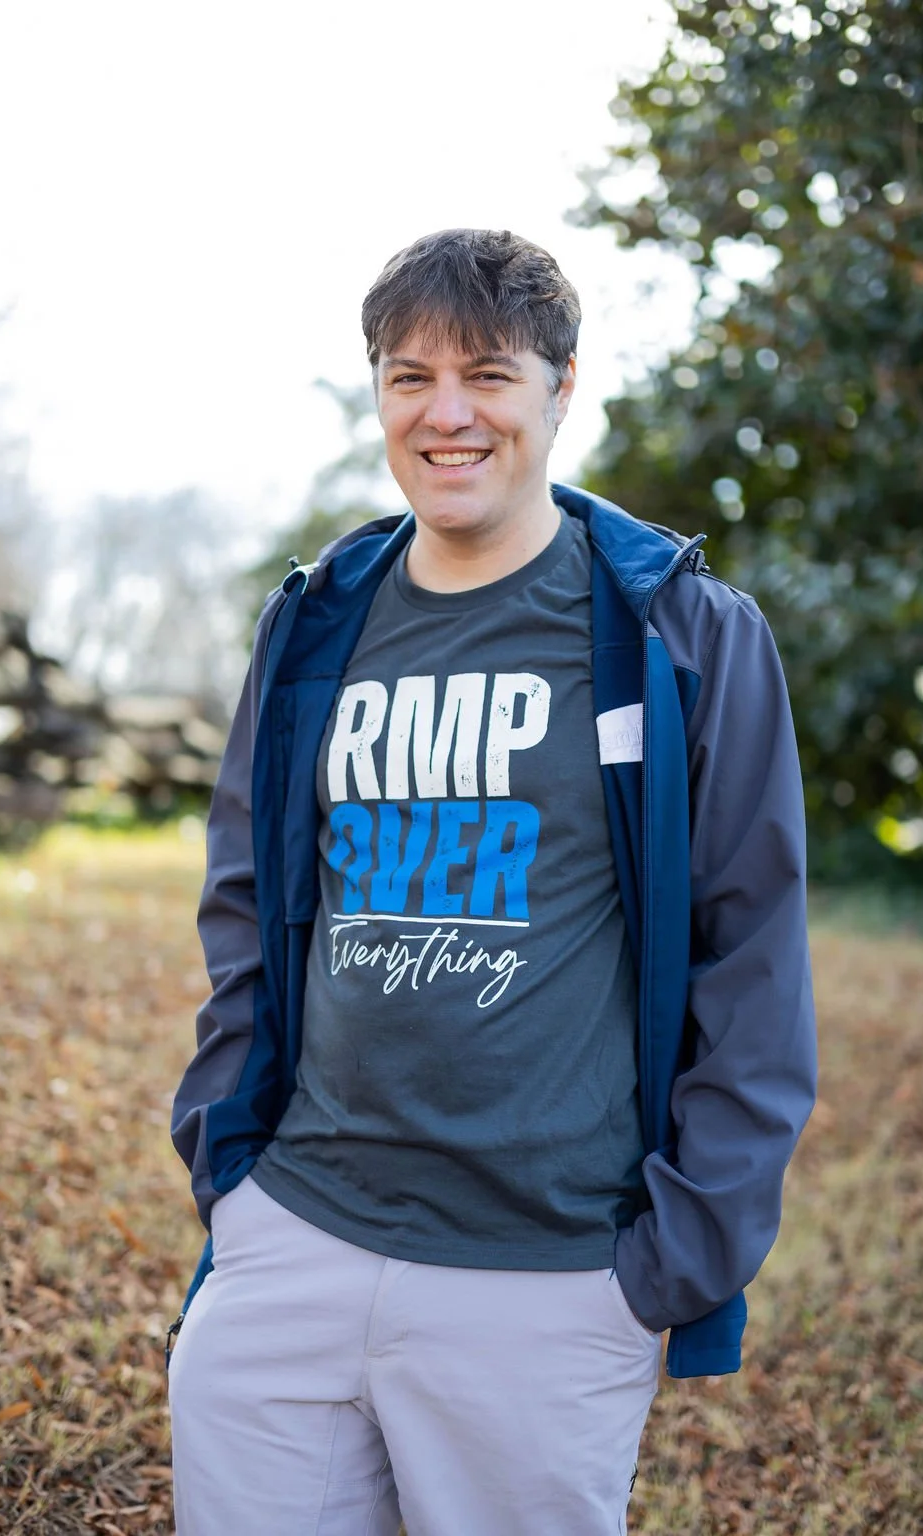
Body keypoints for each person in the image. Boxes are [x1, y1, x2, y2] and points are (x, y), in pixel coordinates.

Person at [167, 227, 817, 1536]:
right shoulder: (317, 625)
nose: (446, 414)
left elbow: (753, 953)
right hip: (294, 1235)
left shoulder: (676, 635)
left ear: (562, 388)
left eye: (489, 375)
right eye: (409, 378)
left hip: (549, 1277)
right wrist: (227, 1167)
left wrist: (670, 1260)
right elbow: (244, 896)